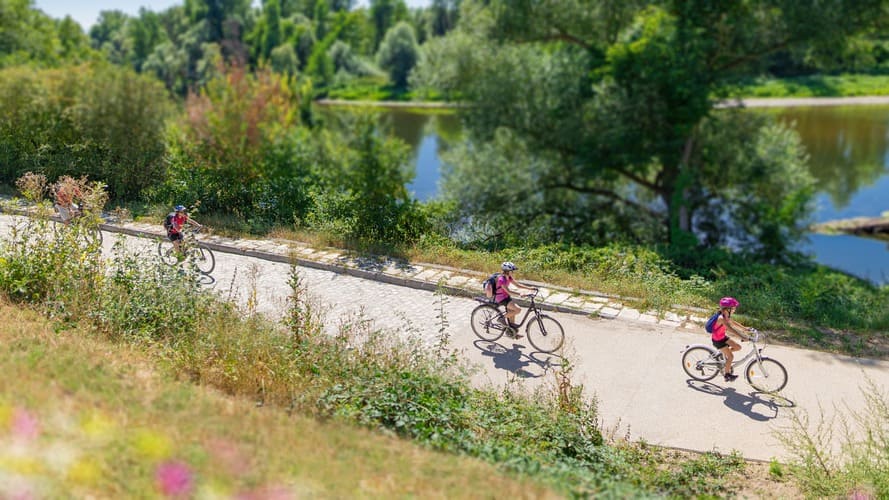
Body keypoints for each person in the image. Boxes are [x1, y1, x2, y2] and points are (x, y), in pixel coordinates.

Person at [711, 296, 751, 382]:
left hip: (722, 337)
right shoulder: (721, 318)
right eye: (733, 308)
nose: (734, 310)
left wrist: (744, 328)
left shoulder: (726, 315)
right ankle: (727, 375)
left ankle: (724, 354)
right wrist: (742, 336)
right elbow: (731, 329)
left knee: (738, 347)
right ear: (727, 309)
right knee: (731, 356)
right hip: (718, 340)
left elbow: (733, 323)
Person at [494, 261, 537, 337]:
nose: (513, 272)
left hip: (506, 297)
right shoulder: (501, 279)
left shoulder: (508, 277)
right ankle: (501, 318)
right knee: (518, 309)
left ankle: (512, 333)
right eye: (512, 271)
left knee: (512, 314)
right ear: (508, 271)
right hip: (501, 298)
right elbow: (509, 291)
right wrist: (520, 294)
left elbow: (518, 285)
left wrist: (530, 288)